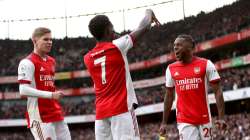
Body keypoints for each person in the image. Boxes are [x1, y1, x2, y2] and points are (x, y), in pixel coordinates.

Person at [84, 9, 160, 140]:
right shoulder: (118, 46)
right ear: (108, 30)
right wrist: (149, 12)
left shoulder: (87, 57)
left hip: (101, 114)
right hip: (121, 109)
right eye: (112, 27)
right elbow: (145, 26)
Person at [159, 34, 226, 140]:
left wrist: (221, 117)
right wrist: (164, 122)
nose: (175, 48)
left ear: (190, 47)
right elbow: (169, 96)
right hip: (184, 120)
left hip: (204, 118)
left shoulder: (206, 64)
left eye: (179, 45)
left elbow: (218, 91)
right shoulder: (170, 69)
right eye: (174, 46)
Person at [18, 27, 71, 140]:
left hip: (55, 112)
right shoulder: (27, 62)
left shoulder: (52, 61)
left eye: (51, 39)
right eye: (45, 39)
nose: (49, 42)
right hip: (39, 116)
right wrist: (51, 95)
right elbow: (23, 90)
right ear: (35, 41)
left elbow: (48, 85)